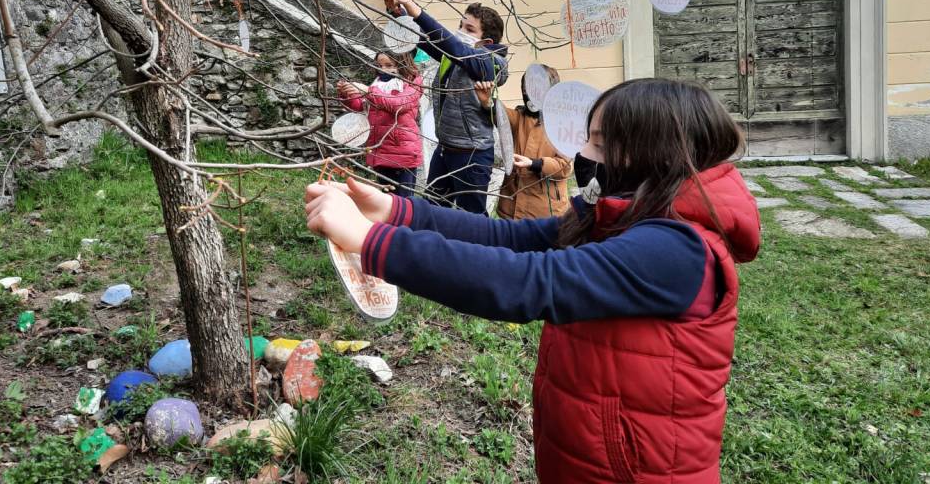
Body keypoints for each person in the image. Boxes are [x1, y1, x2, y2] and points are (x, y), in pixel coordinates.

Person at [305, 78, 761, 484]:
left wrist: (370, 241)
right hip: (588, 457)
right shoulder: (626, 213)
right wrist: (396, 212)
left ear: (652, 153)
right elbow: (513, 238)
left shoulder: (676, 250)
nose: (584, 156)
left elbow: (525, 281)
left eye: (600, 145)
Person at [382, 0, 508, 214]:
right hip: (445, 150)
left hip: (472, 156)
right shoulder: (454, 55)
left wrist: (417, 12)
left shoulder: (493, 63)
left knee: (472, 222)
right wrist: (399, 14)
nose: (460, 31)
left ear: (486, 41)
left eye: (469, 28)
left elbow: (457, 49)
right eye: (460, 25)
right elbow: (421, 41)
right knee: (432, 211)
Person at [473, 66, 572, 219]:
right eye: (526, 88)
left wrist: (535, 163)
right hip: (512, 207)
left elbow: (564, 168)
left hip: (544, 211)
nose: (528, 94)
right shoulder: (519, 117)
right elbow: (501, 114)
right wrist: (488, 102)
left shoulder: (562, 124)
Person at [336, 51, 423, 197]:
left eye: (389, 65)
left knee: (404, 202)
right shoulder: (378, 84)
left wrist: (368, 91)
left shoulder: (412, 83)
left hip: (402, 153)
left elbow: (398, 105)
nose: (383, 69)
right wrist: (347, 95)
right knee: (386, 199)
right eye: (379, 65)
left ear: (403, 64)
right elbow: (360, 106)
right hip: (381, 151)